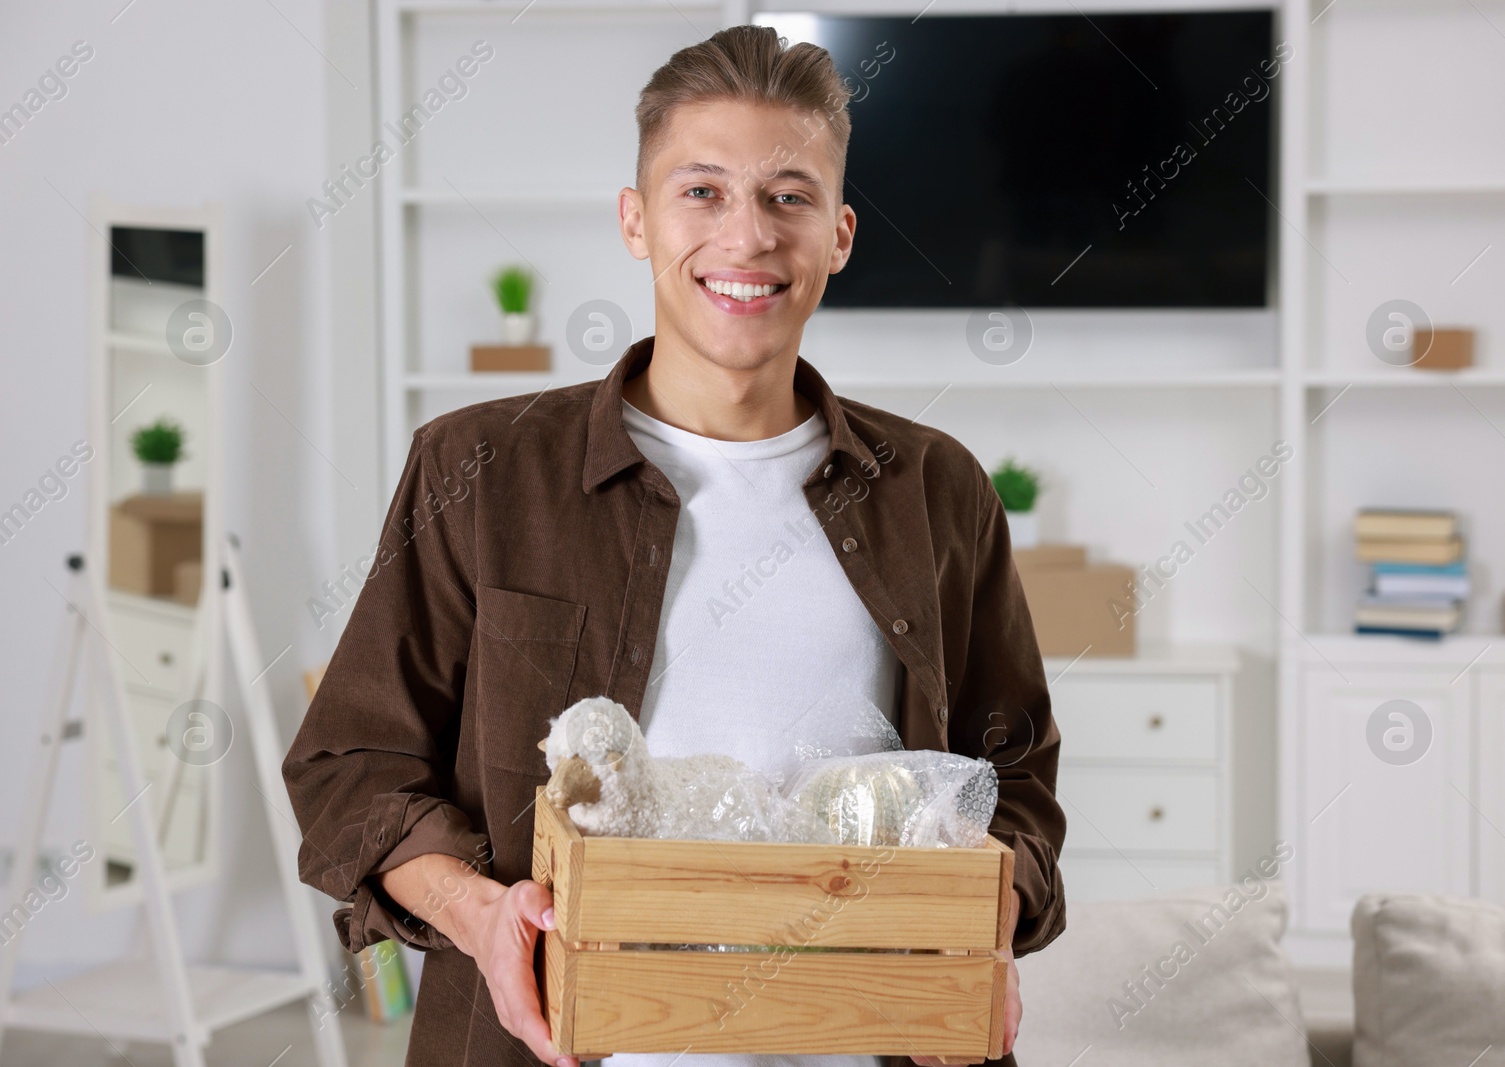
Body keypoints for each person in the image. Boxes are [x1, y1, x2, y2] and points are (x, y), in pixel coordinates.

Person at [283, 24, 1065, 1067]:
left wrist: (979, 920)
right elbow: (351, 767)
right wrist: (479, 911)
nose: (746, 237)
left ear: (838, 234)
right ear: (635, 221)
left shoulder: (936, 488)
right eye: (701, 191)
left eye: (787, 195)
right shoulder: (477, 468)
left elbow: (1014, 780)